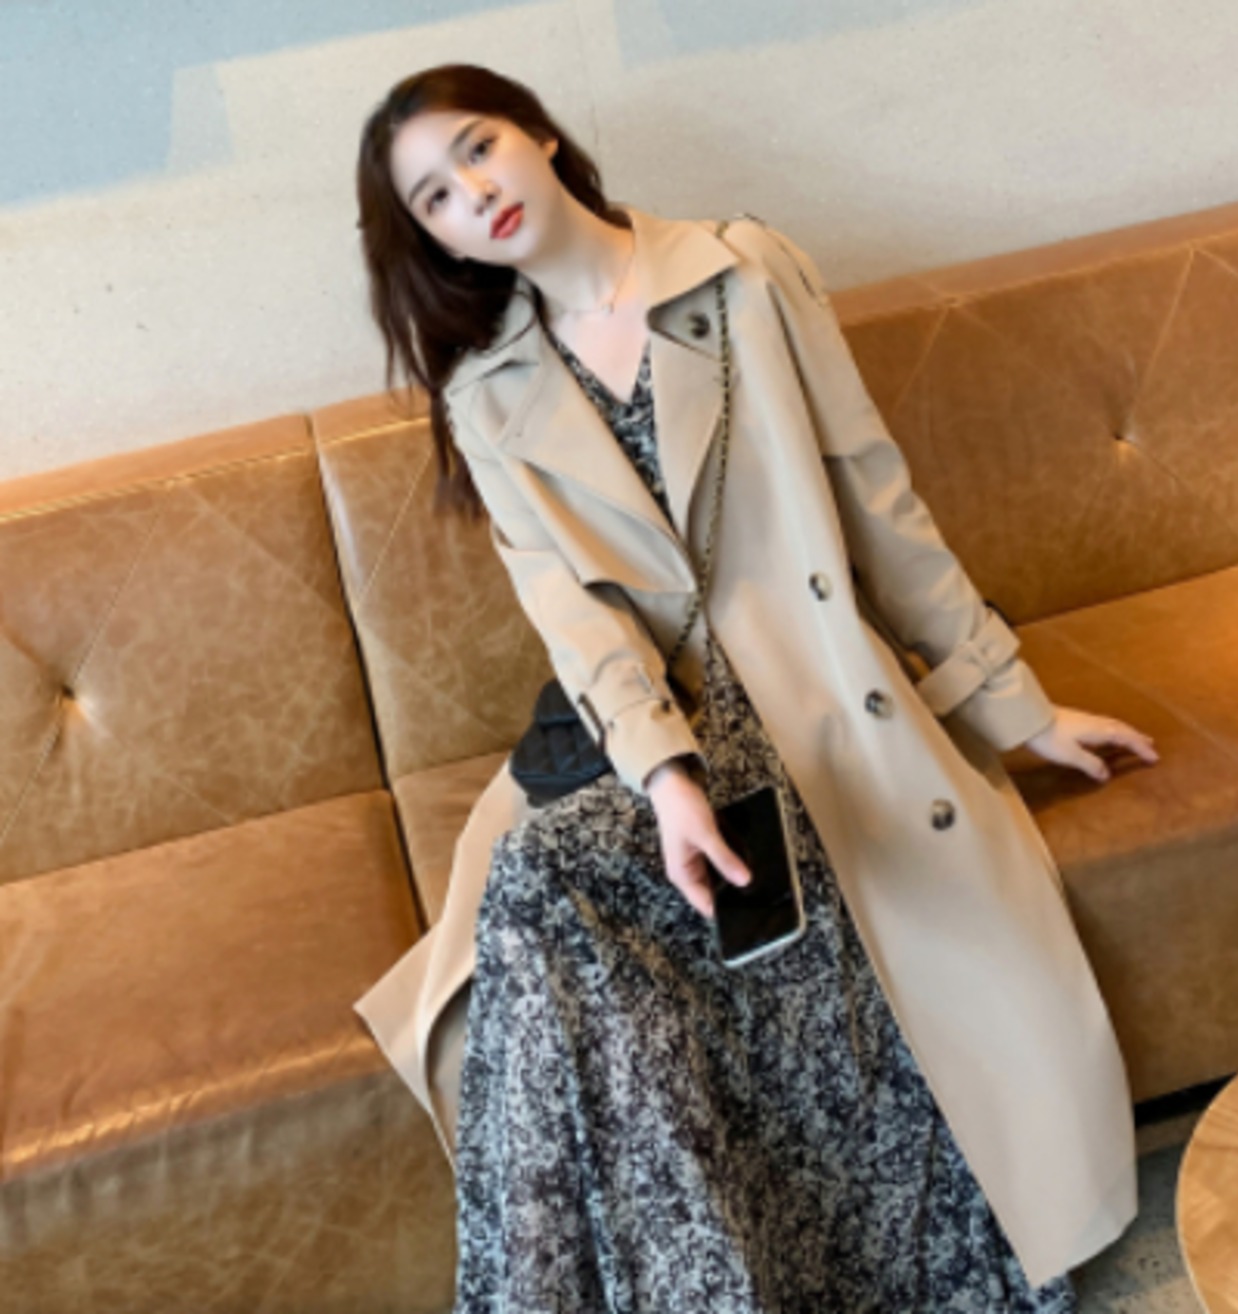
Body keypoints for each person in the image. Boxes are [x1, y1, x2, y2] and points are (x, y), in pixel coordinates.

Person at [353, 62, 1159, 1312]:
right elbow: (574, 617)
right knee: (534, 890)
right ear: (437, 243)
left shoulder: (739, 273)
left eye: (478, 147)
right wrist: (665, 777)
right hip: (653, 735)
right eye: (436, 198)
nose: (473, 191)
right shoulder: (484, 394)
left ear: (540, 138)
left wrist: (1013, 704)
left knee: (563, 912)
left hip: (818, 699)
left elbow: (874, 500)